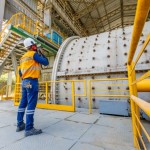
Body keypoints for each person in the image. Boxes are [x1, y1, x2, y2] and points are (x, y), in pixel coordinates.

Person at [16, 38, 49, 137]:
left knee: (23, 103)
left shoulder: (22, 58)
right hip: (32, 81)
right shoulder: (33, 55)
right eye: (34, 44)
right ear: (32, 45)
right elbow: (46, 62)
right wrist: (41, 53)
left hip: (25, 82)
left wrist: (25, 79)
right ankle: (29, 128)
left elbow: (20, 72)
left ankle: (20, 124)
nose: (35, 46)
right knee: (31, 104)